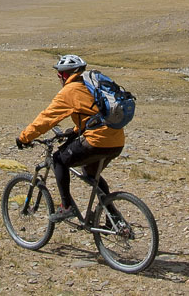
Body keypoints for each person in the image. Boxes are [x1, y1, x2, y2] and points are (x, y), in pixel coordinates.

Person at [16, 54, 125, 222]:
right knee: (91, 172)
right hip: (117, 141)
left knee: (58, 159)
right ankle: (113, 218)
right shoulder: (90, 86)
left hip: (97, 140)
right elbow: (93, 114)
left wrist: (24, 137)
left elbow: (47, 118)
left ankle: (66, 207)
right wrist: (75, 131)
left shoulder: (70, 90)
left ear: (65, 74)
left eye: (59, 74)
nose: (59, 78)